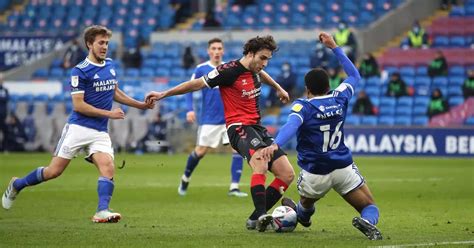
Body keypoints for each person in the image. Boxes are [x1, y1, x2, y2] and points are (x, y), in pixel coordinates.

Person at [1, 25, 155, 223]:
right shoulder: (79, 71)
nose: (104, 47)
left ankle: (102, 211)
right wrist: (109, 113)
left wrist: (140, 105)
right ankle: (17, 184)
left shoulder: (109, 65)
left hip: (99, 131)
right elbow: (79, 105)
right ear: (89, 44)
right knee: (53, 172)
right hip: (78, 129)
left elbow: (114, 92)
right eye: (101, 43)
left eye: (107, 43)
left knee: (108, 167)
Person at [146, 35, 295, 232]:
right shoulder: (229, 71)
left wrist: (278, 87)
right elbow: (196, 84)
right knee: (260, 161)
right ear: (250, 54)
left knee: (287, 174)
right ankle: (261, 216)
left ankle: (254, 218)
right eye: (263, 58)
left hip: (256, 127)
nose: (265, 64)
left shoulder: (256, 69)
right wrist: (163, 94)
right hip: (238, 127)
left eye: (268, 59)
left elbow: (262, 75)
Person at [260, 32, 383, 240]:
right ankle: (368, 221)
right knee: (369, 206)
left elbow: (291, 125)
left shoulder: (303, 106)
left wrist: (275, 144)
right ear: (329, 85)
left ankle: (301, 214)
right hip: (343, 168)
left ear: (307, 89)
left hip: (315, 173)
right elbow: (354, 76)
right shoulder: (340, 97)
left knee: (306, 204)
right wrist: (334, 46)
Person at [179, 38, 247, 197]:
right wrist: (189, 109)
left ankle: (234, 187)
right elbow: (189, 89)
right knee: (200, 151)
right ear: (209, 51)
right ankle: (185, 177)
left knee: (237, 148)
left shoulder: (229, 68)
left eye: (219, 48)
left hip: (230, 118)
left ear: (223, 51)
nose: (216, 51)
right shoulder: (201, 69)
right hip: (209, 119)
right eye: (214, 48)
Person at [0, 73, 8, 151]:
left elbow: (7, 102)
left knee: (6, 132)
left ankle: (5, 148)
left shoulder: (5, 90)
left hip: (3, 115)